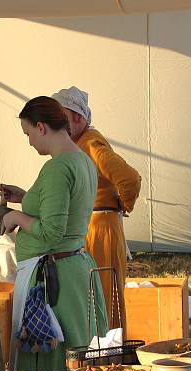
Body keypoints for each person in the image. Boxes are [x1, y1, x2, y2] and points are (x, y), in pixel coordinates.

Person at [0, 96, 114, 371]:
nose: (29, 141)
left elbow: (50, 232)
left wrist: (17, 217)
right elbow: (59, 210)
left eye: (29, 133)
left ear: (43, 127)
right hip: (78, 268)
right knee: (83, 353)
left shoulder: (57, 168)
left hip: (55, 280)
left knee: (50, 358)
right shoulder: (82, 160)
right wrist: (25, 199)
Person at [52, 86, 142, 330]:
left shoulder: (90, 144)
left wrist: (121, 205)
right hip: (88, 227)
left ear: (78, 118)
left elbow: (130, 178)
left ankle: (110, 357)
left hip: (100, 227)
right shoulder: (76, 144)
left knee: (103, 295)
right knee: (89, 296)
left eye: (61, 118)